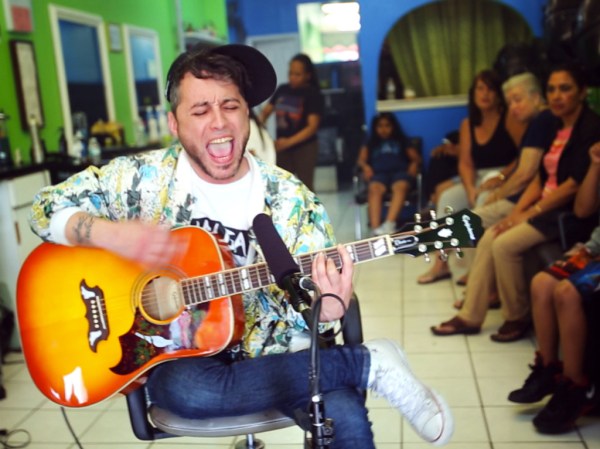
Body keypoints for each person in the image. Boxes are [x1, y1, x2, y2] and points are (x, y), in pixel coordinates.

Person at [27, 44, 453, 448]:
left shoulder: (291, 199)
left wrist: (327, 309)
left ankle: (365, 365)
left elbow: (316, 317)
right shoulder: (138, 180)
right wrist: (107, 233)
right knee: (185, 390)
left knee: (346, 420)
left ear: (247, 114)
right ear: (174, 123)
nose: (219, 122)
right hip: (187, 360)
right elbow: (44, 209)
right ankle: (367, 363)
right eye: (200, 110)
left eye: (230, 106)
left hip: (281, 353)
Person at [430, 62, 600, 342]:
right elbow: (539, 176)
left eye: (565, 89)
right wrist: (516, 211)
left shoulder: (587, 129)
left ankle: (515, 315)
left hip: (561, 214)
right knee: (487, 234)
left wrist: (523, 211)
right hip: (540, 205)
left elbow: (569, 185)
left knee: (500, 241)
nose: (557, 96)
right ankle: (471, 313)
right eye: (552, 89)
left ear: (582, 92)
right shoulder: (556, 125)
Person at [508, 141, 600, 434]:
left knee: (566, 292)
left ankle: (576, 387)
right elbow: (584, 209)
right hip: (596, 247)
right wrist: (596, 164)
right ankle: (549, 370)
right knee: (542, 283)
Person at [450, 71, 555, 308]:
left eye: (518, 100)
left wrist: (500, 192)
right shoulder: (535, 122)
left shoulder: (541, 121)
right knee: (466, 218)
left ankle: (484, 292)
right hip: (516, 193)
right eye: (511, 102)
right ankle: (475, 286)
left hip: (523, 195)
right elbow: (466, 162)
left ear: (535, 97)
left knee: (471, 223)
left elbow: (525, 172)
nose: (513, 108)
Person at [418, 69, 524, 284]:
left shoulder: (509, 118)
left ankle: (477, 271)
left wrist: (501, 176)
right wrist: (469, 189)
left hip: (505, 175)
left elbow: (523, 155)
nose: (485, 94)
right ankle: (441, 263)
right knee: (448, 199)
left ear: (499, 94)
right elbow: (465, 162)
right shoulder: (468, 124)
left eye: (490, 89)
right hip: (476, 177)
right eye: (480, 89)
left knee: (483, 203)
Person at [260, 53, 324, 191]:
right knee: (281, 186)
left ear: (307, 75)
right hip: (282, 147)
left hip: (304, 147)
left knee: (305, 188)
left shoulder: (313, 94)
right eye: (291, 73)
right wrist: (262, 137)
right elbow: (265, 113)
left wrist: (288, 142)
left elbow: (312, 127)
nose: (292, 77)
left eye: (297, 74)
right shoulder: (282, 90)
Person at [356, 112, 421, 235]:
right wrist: (365, 167)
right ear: (375, 127)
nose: (383, 129)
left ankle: (389, 225)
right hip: (379, 173)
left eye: (387, 126)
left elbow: (416, 158)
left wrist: (414, 164)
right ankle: (375, 230)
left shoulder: (401, 140)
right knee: (374, 188)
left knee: (400, 186)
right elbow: (361, 160)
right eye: (380, 126)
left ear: (393, 127)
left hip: (400, 173)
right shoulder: (370, 141)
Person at [422, 130, 459, 210]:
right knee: (438, 159)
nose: (447, 147)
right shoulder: (440, 156)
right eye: (445, 144)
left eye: (450, 145)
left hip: (461, 182)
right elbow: (433, 177)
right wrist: (432, 193)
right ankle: (432, 202)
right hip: (439, 191)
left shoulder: (468, 156)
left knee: (441, 188)